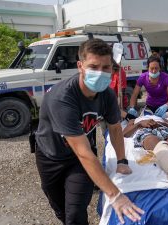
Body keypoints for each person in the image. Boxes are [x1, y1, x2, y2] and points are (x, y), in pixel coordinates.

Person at [35, 38, 144, 225]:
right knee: (61, 210)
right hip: (50, 156)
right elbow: (83, 152)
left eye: (106, 68)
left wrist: (122, 160)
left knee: (76, 212)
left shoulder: (107, 95)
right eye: (93, 66)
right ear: (80, 66)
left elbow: (115, 129)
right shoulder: (62, 98)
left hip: (79, 159)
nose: (100, 73)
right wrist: (115, 196)